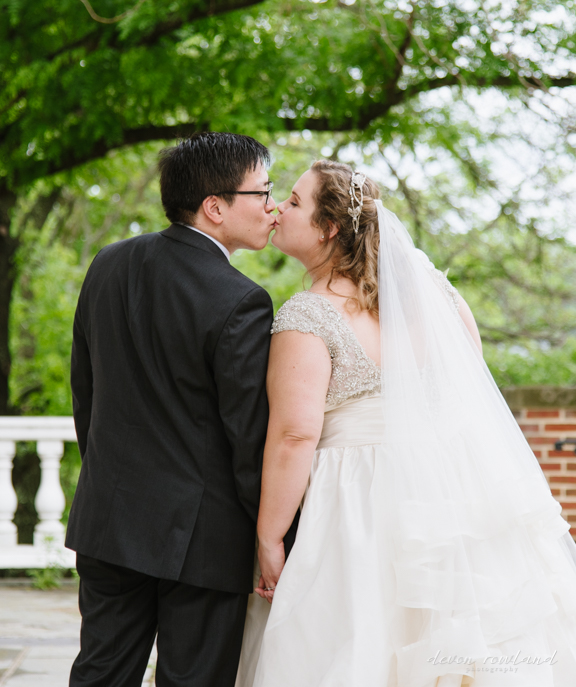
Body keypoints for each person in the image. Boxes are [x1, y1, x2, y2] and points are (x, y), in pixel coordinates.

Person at [236, 159, 576, 687]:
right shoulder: (440, 296)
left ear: (328, 229)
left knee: (356, 642)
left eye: (295, 202)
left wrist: (269, 536)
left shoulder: (308, 315)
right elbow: (465, 388)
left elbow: (294, 436)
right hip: (446, 489)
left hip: (357, 502)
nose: (278, 207)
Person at [66, 133, 297, 687]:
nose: (272, 205)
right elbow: (249, 438)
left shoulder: (108, 263)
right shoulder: (241, 299)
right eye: (262, 192)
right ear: (214, 207)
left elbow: (86, 392)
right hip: (204, 539)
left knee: (100, 674)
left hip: (110, 517)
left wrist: (107, 478)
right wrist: (273, 535)